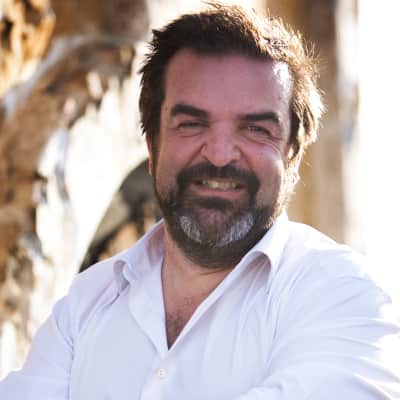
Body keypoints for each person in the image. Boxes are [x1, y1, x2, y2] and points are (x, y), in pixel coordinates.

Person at [1, 3, 399, 399]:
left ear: (293, 156)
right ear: (152, 147)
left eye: (255, 129)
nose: (220, 155)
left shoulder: (344, 293)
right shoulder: (84, 304)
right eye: (191, 124)